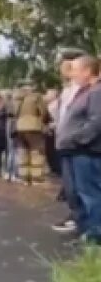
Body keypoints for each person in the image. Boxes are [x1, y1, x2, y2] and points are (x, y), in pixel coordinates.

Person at [61, 55, 101, 244]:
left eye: (75, 69)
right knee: (77, 193)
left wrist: (77, 139)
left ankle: (95, 236)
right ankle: (86, 232)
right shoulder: (85, 91)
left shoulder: (96, 92)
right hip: (75, 151)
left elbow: (96, 123)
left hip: (86, 152)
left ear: (87, 71)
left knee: (89, 194)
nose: (72, 74)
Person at [53, 49, 86, 233]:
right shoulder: (67, 90)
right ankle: (76, 215)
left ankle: (81, 219)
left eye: (66, 64)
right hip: (65, 142)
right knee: (70, 185)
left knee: (77, 186)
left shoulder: (83, 89)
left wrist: (78, 138)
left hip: (76, 144)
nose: (61, 68)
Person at [14, 83, 49, 184]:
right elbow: (43, 112)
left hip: (19, 128)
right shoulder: (36, 97)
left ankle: (23, 178)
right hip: (33, 127)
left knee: (23, 153)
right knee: (36, 152)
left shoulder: (18, 98)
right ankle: (36, 179)